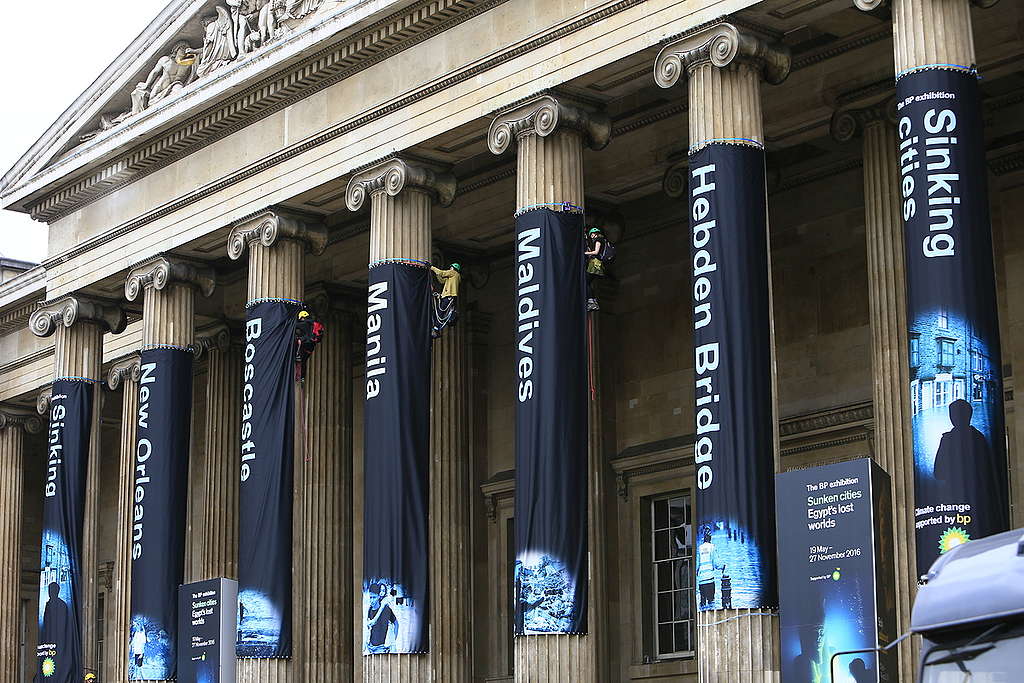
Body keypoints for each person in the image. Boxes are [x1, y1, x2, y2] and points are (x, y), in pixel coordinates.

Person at [933, 398, 992, 485]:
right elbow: (988, 469)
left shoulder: (947, 440)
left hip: (953, 489)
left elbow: (938, 473)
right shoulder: (980, 438)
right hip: (976, 489)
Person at [584, 227, 615, 311]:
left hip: (595, 264)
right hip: (598, 265)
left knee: (584, 282)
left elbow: (596, 252)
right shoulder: (604, 240)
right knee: (587, 282)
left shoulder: (598, 239)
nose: (591, 236)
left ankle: (591, 302)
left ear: (595, 234)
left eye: (592, 235)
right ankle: (593, 301)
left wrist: (584, 253)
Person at [430, 262, 461, 339]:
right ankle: (436, 328)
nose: (449, 269)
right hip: (447, 296)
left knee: (440, 313)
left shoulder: (454, 273)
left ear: (453, 268)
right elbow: (442, 280)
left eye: (450, 268)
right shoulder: (452, 277)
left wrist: (431, 267)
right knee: (439, 312)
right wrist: (437, 274)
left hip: (449, 296)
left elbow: (442, 273)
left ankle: (436, 329)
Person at [294, 307, 324, 381]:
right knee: (303, 361)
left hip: (304, 344)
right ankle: (302, 377)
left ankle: (299, 375)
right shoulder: (313, 324)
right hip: (310, 347)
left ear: (302, 317)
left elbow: (294, 325)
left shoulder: (304, 324)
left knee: (300, 359)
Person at [696, 529, 721, 608]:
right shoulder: (712, 547)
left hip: (701, 580)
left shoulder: (699, 548)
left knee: (702, 602)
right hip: (710, 579)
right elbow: (716, 564)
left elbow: (697, 565)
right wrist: (722, 566)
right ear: (710, 538)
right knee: (711, 602)